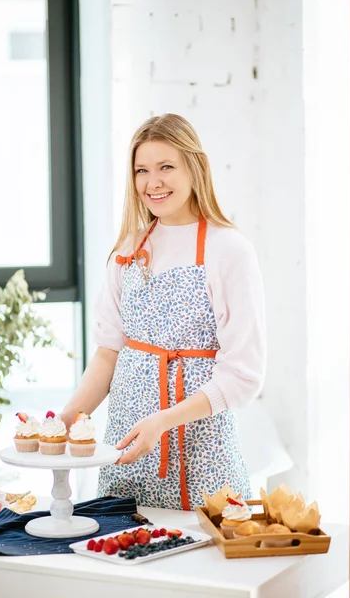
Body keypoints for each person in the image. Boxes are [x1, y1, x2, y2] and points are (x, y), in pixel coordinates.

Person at [61, 113, 266, 510]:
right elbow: (108, 354)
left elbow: (244, 375)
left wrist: (164, 421)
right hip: (128, 449)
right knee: (119, 553)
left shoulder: (229, 251)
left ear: (195, 168)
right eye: (142, 170)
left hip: (200, 452)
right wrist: (65, 420)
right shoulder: (128, 250)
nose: (152, 182)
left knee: (198, 565)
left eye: (166, 167)